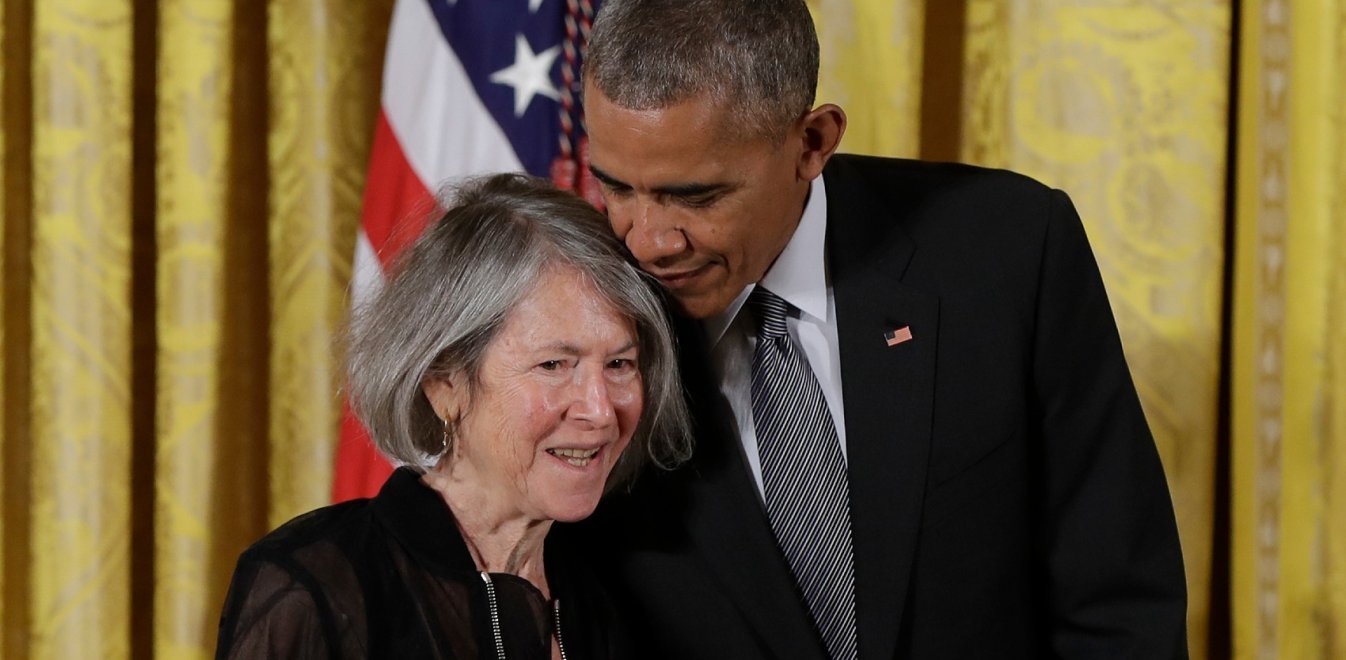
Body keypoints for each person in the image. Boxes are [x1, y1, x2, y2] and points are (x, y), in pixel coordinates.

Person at [576, 0, 1189, 658]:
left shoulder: (1009, 251)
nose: (647, 242)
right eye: (617, 188)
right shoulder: (577, 316)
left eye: (696, 196)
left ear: (812, 143)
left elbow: (1120, 601)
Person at [215, 174, 691, 659]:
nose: (601, 410)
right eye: (554, 365)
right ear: (444, 383)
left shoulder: (615, 597)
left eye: (619, 364)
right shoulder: (314, 589)